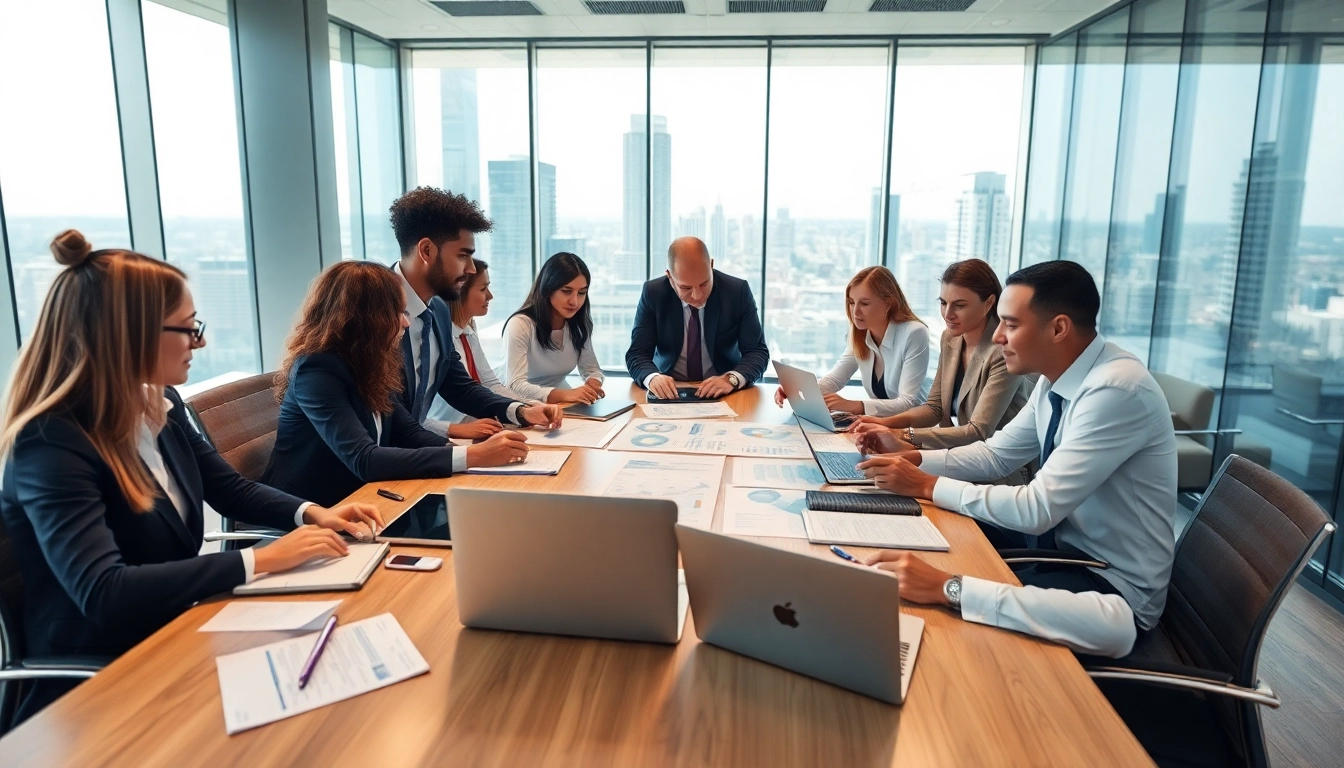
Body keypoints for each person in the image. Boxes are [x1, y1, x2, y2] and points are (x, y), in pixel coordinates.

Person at [0, 231, 384, 723]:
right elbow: (103, 592)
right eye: (186, 328)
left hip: (178, 629)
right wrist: (260, 559)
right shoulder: (50, 442)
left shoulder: (158, 402)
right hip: (104, 679)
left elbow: (227, 488)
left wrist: (312, 512)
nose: (199, 341)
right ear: (131, 334)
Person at [854, 261, 1177, 659]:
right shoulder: (1055, 380)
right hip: (1062, 558)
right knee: (919, 573)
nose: (999, 336)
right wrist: (913, 458)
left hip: (1111, 594)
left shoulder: (1116, 390)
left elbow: (1037, 508)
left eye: (1010, 324)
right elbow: (994, 455)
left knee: (942, 624)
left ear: (1058, 328)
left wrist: (925, 485)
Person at [261, 261, 530, 507]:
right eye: (398, 312)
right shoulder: (317, 370)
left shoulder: (373, 362)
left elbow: (408, 432)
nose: (405, 321)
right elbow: (364, 459)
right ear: (365, 319)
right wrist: (473, 457)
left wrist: (467, 453)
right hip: (310, 512)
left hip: (364, 500)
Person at [389, 187, 562, 438]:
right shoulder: (372, 309)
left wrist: (521, 411)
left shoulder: (436, 311)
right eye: (463, 256)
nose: (471, 269)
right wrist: (470, 455)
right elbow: (392, 420)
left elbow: (459, 387)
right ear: (426, 251)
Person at [849, 259, 1033, 481]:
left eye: (960, 305)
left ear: (989, 303)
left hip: (1001, 472)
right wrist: (883, 423)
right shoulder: (951, 339)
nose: (948, 314)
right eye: (943, 303)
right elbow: (934, 408)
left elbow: (977, 431)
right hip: (961, 457)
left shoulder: (1001, 351)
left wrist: (901, 434)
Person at [772, 266, 928, 416]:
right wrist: (796, 389)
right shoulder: (861, 334)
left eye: (865, 303)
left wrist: (855, 406)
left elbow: (908, 402)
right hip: (881, 426)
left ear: (888, 303)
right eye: (852, 302)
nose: (855, 311)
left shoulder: (914, 333)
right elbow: (835, 380)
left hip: (913, 432)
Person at [626, 237, 770, 399]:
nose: (697, 295)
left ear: (711, 266)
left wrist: (731, 379)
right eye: (685, 288)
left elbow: (757, 352)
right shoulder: (653, 293)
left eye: (704, 284)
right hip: (670, 392)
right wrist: (653, 378)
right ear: (669, 277)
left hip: (724, 391)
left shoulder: (737, 291)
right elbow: (637, 353)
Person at [424, 258, 533, 437]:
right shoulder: (438, 338)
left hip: (475, 422)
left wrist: (525, 408)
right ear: (459, 292)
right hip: (448, 430)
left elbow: (490, 383)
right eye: (483, 289)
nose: (490, 296)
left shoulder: (468, 330)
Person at [502, 252, 606, 405]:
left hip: (561, 401)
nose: (575, 301)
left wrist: (593, 384)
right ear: (548, 289)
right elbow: (515, 385)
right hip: (518, 403)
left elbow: (592, 369)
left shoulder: (578, 325)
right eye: (566, 291)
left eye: (582, 293)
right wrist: (566, 394)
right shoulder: (520, 324)